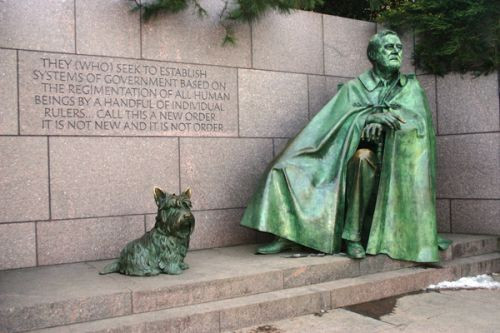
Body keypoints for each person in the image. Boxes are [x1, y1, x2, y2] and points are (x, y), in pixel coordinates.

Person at [240, 30, 450, 263]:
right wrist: (366, 120)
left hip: (394, 162)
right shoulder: (355, 88)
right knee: (282, 168)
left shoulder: (410, 88)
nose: (395, 52)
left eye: (398, 48)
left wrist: (386, 125)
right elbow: (328, 125)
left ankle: (352, 236)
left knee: (362, 160)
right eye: (388, 48)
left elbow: (419, 125)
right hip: (343, 154)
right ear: (373, 54)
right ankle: (289, 232)